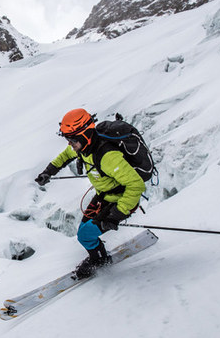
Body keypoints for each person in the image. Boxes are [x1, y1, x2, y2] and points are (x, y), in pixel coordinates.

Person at [35, 108, 146, 279]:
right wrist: (48, 172)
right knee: (84, 233)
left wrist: (116, 215)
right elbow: (65, 156)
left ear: (84, 135)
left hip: (120, 199)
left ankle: (99, 260)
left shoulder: (108, 156)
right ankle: (100, 257)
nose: (69, 144)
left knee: (85, 234)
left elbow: (136, 185)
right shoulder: (83, 146)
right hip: (104, 195)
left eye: (71, 140)